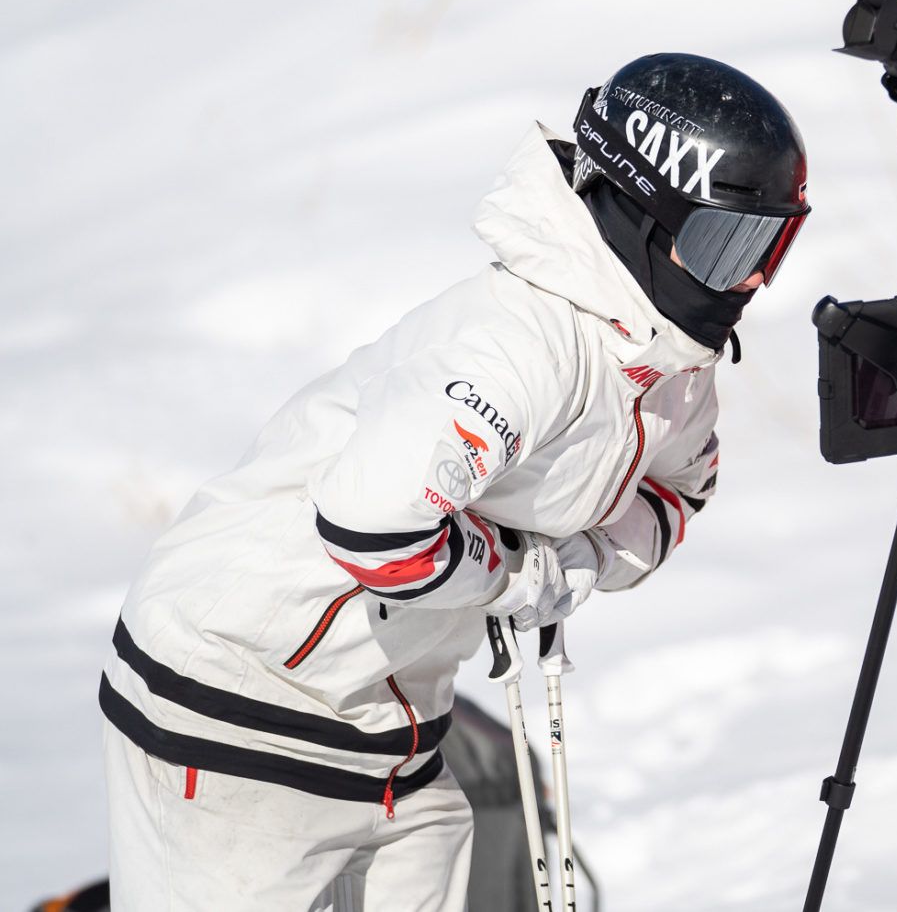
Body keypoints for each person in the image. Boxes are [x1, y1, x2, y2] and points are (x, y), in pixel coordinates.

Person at [99, 55, 809, 911]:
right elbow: (370, 527)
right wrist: (519, 573)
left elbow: (675, 495)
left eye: (768, 243)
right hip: (234, 692)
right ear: (642, 213)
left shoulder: (672, 372)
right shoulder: (519, 344)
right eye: (727, 245)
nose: (755, 278)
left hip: (386, 728)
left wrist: (572, 564)